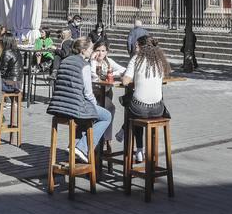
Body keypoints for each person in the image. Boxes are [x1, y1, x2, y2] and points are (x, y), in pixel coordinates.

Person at [46, 35, 111, 163]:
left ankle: (76, 147)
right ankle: (82, 147)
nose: (92, 51)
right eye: (91, 49)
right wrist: (94, 106)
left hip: (58, 107)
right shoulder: (84, 66)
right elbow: (88, 93)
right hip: (74, 108)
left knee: (87, 115)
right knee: (106, 116)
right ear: (83, 50)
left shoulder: (65, 61)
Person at [117, 35, 172, 162]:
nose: (135, 47)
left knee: (131, 107)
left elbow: (125, 82)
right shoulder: (159, 61)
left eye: (137, 45)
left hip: (139, 109)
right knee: (135, 107)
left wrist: (123, 77)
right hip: (158, 109)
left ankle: (138, 147)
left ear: (142, 47)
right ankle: (142, 150)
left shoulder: (136, 59)